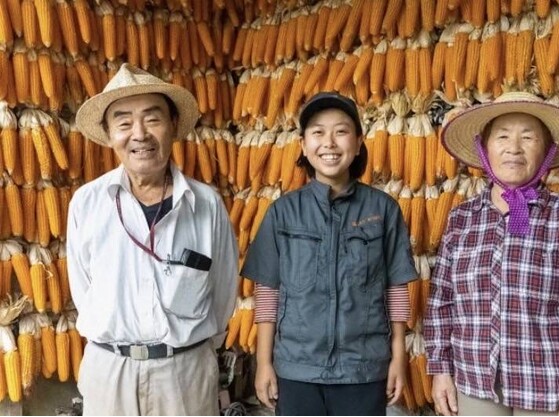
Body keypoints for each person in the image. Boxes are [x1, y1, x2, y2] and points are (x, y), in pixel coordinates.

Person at [424, 92, 559, 416]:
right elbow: (442, 302)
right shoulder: (461, 219)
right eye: (502, 137)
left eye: (527, 138)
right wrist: (440, 369)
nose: (513, 148)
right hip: (474, 381)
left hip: (549, 385)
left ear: (547, 151)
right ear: (484, 149)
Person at [67, 63, 238, 415]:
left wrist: (193, 352)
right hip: (110, 370)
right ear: (109, 132)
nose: (139, 133)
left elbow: (223, 293)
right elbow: (83, 290)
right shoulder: (87, 202)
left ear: (173, 125)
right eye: (124, 122)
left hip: (184, 373)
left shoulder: (205, 204)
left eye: (152, 118)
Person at [241, 92, 418, 415]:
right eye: (318, 132)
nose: (329, 143)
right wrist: (264, 363)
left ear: (359, 141)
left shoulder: (383, 210)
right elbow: (267, 292)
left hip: (363, 368)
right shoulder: (283, 213)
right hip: (297, 369)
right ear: (303, 144)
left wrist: (398, 358)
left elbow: (396, 289)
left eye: (341, 131)